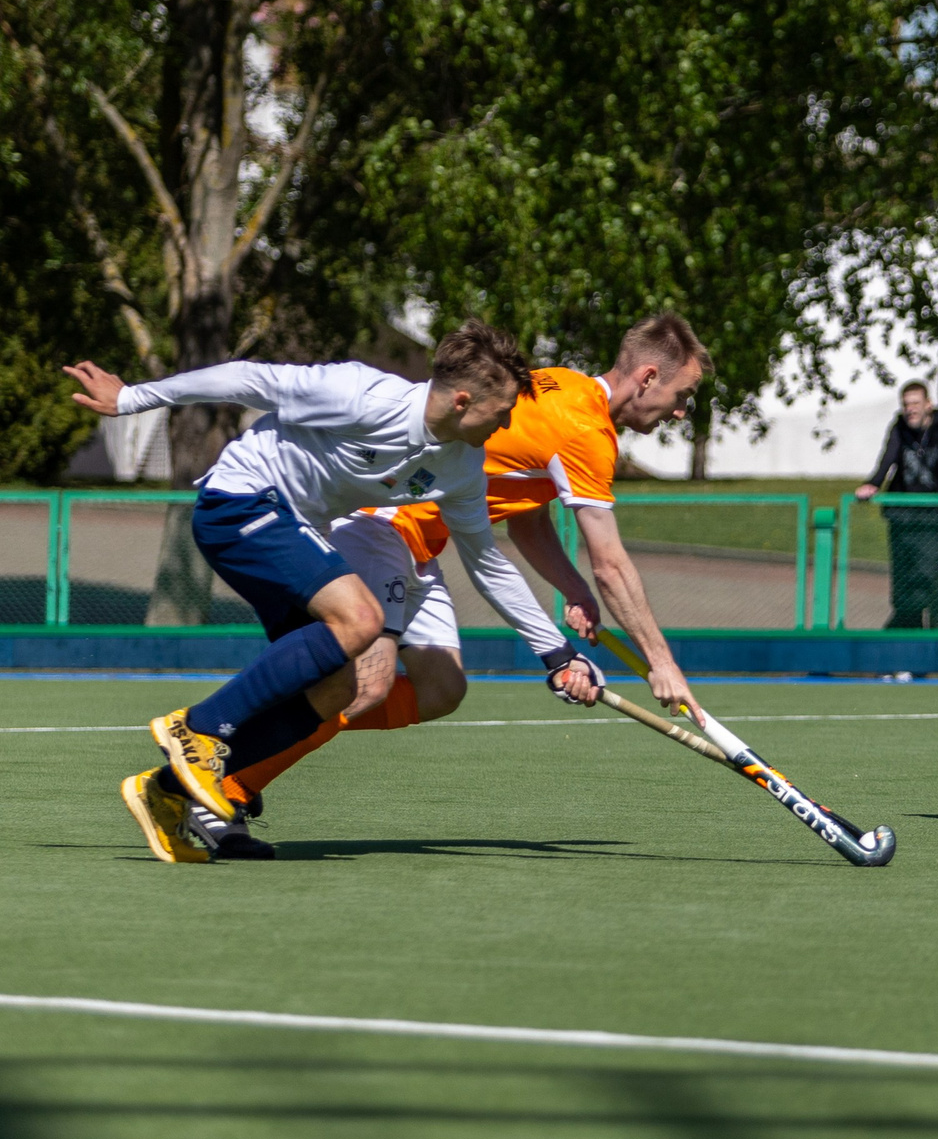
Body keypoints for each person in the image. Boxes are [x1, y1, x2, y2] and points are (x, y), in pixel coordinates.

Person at [177, 315, 715, 858]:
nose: (679, 411)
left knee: (440, 690)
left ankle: (236, 757)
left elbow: (525, 516)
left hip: (422, 540)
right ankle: (221, 781)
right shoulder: (587, 433)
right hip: (383, 524)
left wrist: (571, 589)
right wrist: (661, 665)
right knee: (368, 684)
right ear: (647, 377)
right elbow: (613, 565)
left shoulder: (564, 386)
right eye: (681, 395)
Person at [65, 323, 601, 865]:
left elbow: (486, 561)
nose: (509, 422)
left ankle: (168, 790)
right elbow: (243, 378)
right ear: (463, 400)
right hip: (242, 500)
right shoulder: (363, 394)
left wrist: (555, 653)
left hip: (293, 530)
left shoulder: (461, 466)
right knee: (362, 619)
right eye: (503, 409)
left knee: (338, 690)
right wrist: (132, 398)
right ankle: (195, 730)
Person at [855, 381, 938, 629]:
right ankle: (905, 646)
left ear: (929, 404)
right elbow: (888, 458)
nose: (910, 410)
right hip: (904, 518)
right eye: (906, 405)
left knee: (933, 581)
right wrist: (873, 483)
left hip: (936, 520)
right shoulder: (899, 428)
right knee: (905, 586)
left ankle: (935, 644)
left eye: (915, 403)